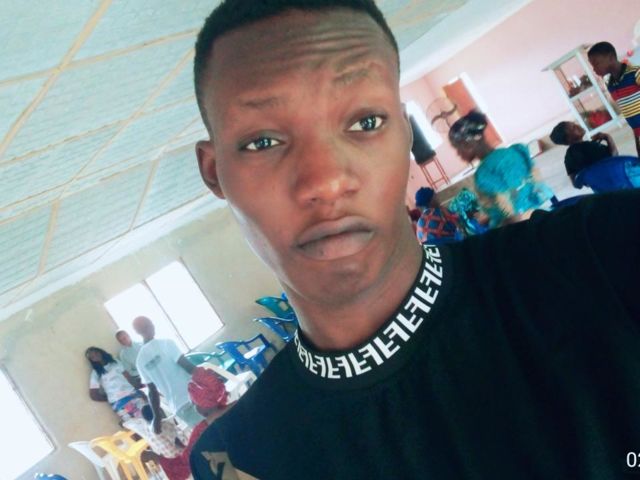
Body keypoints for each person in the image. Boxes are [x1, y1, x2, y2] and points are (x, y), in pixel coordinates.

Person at [189, 1, 640, 478]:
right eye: (262, 141)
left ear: (405, 135)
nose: (326, 181)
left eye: (365, 122)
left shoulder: (607, 255)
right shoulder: (240, 460)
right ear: (215, 172)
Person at [449, 111, 554, 227]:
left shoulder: (484, 173)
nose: (458, 154)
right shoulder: (515, 151)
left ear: (468, 142)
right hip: (544, 216)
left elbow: (511, 213)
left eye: (458, 148)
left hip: (524, 229)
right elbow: (531, 189)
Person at [133, 316, 201, 431]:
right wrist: (212, 381)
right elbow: (188, 367)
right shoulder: (166, 343)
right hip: (196, 397)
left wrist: (156, 417)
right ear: (152, 325)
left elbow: (152, 392)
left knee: (207, 434)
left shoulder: (140, 360)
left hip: (179, 407)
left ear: (137, 333)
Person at [588, 41, 640, 158]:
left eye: (596, 63)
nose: (594, 69)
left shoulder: (636, 73)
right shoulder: (611, 85)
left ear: (611, 58)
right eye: (592, 66)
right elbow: (631, 116)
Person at [85, 347, 147, 422]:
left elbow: (128, 377)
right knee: (136, 425)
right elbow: (93, 395)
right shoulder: (96, 373)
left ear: (101, 352)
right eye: (92, 357)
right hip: (119, 403)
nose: (96, 356)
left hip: (133, 394)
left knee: (150, 417)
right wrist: (112, 398)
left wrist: (140, 391)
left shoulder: (115, 362)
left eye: (96, 353)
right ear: (92, 360)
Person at [549, 121, 618, 185]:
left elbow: (576, 184)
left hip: (600, 189)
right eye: (573, 127)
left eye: (575, 124)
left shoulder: (568, 157)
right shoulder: (591, 146)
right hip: (617, 181)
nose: (578, 126)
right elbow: (615, 157)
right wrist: (607, 137)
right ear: (568, 138)